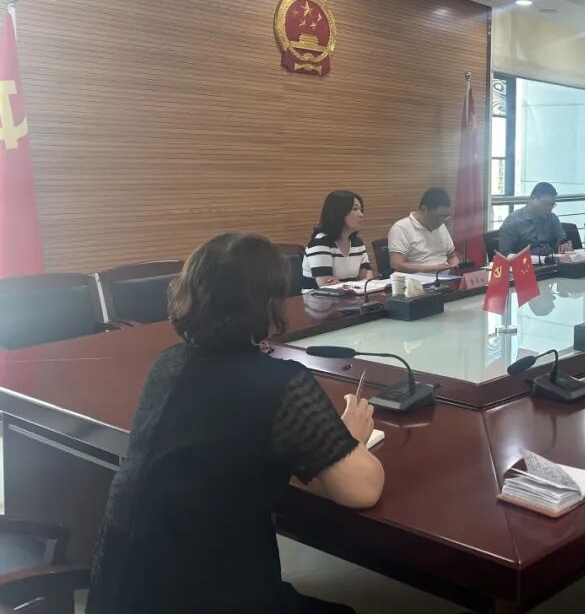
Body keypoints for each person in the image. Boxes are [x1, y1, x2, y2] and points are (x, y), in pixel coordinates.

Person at [87, 234, 385, 614]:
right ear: (269, 304)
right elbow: (362, 490)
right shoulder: (281, 383)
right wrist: (347, 439)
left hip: (120, 594)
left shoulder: (168, 364)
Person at [302, 190, 371, 289]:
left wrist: (342, 284)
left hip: (352, 297)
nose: (361, 214)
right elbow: (326, 285)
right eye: (355, 209)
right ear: (339, 212)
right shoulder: (320, 242)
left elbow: (368, 279)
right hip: (316, 298)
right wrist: (356, 283)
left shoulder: (357, 243)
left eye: (361, 209)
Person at [387, 188, 461, 274]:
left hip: (446, 279)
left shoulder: (440, 225)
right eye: (439, 216)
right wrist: (434, 268)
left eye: (446, 217)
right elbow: (396, 265)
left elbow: (452, 256)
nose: (442, 221)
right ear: (424, 209)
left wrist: (453, 265)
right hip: (418, 281)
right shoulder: (401, 228)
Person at [497, 182, 572, 256]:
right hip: (525, 262)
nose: (550, 208)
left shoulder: (552, 217)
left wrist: (565, 244)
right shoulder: (512, 221)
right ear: (533, 198)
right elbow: (505, 254)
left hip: (550, 261)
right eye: (546, 204)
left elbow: (562, 239)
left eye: (552, 205)